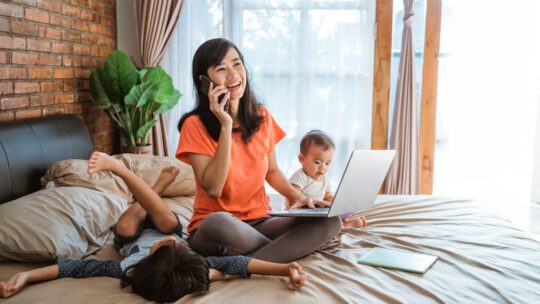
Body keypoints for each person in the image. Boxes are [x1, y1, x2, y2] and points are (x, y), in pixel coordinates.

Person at [0, 152, 307, 302]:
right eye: (177, 246)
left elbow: (69, 269)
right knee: (167, 221)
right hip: (166, 222)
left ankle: (139, 179)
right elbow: (239, 264)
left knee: (126, 224)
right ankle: (150, 184)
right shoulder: (196, 269)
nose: (175, 244)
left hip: (129, 235)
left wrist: (26, 276)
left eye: (169, 246)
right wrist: (285, 268)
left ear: (155, 253)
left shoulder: (125, 270)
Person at [176, 38, 342, 264]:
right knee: (220, 221)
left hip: (260, 222)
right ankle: (286, 250)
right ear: (205, 81)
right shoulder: (194, 124)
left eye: (237, 64)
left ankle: (239, 266)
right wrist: (225, 124)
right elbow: (213, 188)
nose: (233, 75)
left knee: (331, 222)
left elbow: (272, 171)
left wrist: (300, 199)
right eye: (221, 69)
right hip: (216, 228)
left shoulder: (262, 116)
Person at [286, 130, 367, 228]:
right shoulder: (299, 177)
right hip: (299, 216)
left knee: (336, 214)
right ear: (302, 159)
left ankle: (342, 224)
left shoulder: (324, 179)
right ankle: (339, 226)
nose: (323, 167)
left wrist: (337, 204)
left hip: (317, 213)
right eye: (317, 162)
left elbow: (328, 196)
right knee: (323, 223)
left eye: (327, 163)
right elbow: (293, 199)